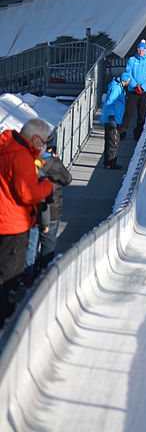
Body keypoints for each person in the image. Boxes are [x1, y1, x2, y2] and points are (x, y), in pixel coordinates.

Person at [0, 118, 53, 326]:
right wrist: (46, 187)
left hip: (4, 220)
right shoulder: (21, 157)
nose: (45, 147)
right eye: (44, 142)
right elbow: (27, 194)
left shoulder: (6, 148)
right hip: (13, 224)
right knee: (9, 276)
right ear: (35, 138)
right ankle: (5, 323)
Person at [35, 136, 72, 271]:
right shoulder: (54, 162)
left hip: (33, 210)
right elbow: (67, 179)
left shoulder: (31, 160)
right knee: (48, 244)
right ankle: (44, 273)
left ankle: (28, 275)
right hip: (52, 210)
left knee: (31, 245)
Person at [120, 39, 146, 141]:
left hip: (144, 92)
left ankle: (138, 133)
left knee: (141, 113)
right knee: (128, 112)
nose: (141, 52)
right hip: (133, 91)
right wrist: (135, 85)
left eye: (143, 50)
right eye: (139, 49)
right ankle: (123, 131)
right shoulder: (132, 60)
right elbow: (128, 74)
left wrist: (142, 87)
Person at [100, 71, 131, 169]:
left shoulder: (119, 87)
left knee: (111, 140)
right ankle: (110, 163)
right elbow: (110, 102)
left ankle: (109, 162)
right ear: (125, 80)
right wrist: (111, 117)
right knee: (113, 141)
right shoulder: (117, 88)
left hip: (114, 118)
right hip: (112, 119)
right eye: (129, 80)